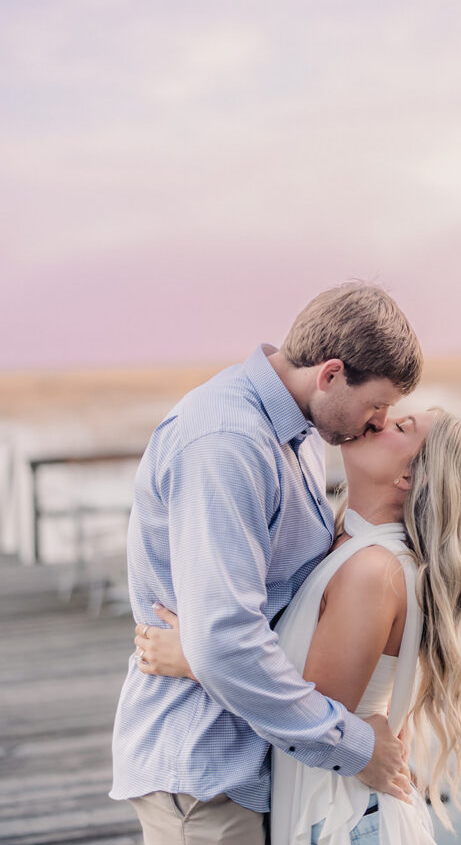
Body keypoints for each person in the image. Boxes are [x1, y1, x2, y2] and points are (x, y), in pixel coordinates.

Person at [110, 283, 423, 845]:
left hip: (257, 766)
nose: (376, 421)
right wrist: (355, 748)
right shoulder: (228, 441)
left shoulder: (300, 432)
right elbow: (226, 641)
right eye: (376, 405)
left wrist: (196, 655)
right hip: (205, 771)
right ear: (330, 375)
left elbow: (273, 611)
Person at [133, 407, 461, 843]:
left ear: (409, 477)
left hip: (345, 820)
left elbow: (306, 708)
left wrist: (196, 657)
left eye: (401, 427)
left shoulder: (374, 570)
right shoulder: (347, 542)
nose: (380, 420)